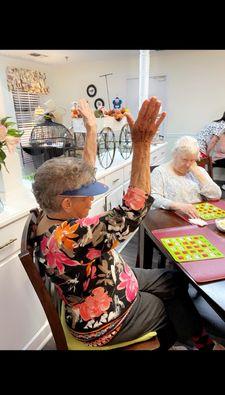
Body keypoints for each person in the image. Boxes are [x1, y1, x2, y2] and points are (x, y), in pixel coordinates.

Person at [32, 98, 223, 350]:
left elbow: (86, 168)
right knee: (169, 309)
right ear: (67, 203)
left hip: (110, 279)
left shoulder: (50, 213)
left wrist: (91, 128)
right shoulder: (72, 236)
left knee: (174, 280)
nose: (91, 199)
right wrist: (141, 144)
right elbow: (134, 209)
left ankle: (197, 339)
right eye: (86, 194)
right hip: (102, 320)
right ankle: (195, 342)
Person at [151, 136, 222, 218]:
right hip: (171, 217)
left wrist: (198, 174)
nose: (188, 164)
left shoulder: (198, 171)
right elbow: (154, 199)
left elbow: (216, 195)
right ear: (175, 155)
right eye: (184, 159)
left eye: (192, 160)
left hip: (197, 216)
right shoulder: (160, 172)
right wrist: (178, 206)